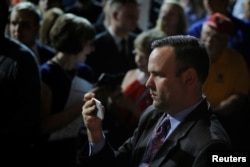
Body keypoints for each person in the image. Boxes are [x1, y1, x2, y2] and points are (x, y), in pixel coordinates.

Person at [79, 35, 232, 166]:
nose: (148, 83)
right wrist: (95, 132)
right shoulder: (152, 114)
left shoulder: (211, 144)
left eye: (158, 75)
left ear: (189, 78)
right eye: (149, 74)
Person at [36, 13, 96, 167]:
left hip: (77, 148)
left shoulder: (85, 71)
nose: (91, 49)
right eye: (88, 43)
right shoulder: (46, 74)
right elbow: (44, 125)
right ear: (76, 43)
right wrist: (82, 105)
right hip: (50, 153)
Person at [105, 29, 166, 148]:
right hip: (118, 135)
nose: (138, 59)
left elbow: (157, 123)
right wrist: (112, 103)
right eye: (136, 53)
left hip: (141, 140)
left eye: (143, 56)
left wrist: (132, 107)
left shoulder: (161, 84)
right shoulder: (130, 74)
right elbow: (117, 113)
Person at [0, 0, 42, 166]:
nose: (17, 29)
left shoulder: (23, 59)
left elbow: (27, 118)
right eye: (14, 23)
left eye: (24, 25)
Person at [201, 13, 250, 150]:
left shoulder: (236, 61)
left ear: (226, 41)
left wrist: (213, 114)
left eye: (216, 37)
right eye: (207, 34)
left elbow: (239, 97)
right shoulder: (189, 55)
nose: (209, 40)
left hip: (220, 121)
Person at [85, 0, 139, 81]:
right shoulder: (96, 44)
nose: (135, 22)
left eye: (137, 17)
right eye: (130, 17)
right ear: (115, 15)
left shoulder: (137, 42)